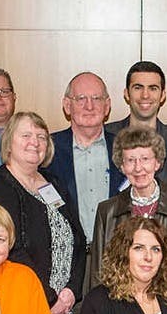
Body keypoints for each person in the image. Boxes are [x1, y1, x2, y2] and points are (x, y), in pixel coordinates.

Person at [0, 112, 87, 314]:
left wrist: (71, 291)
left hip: (65, 308)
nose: (35, 142)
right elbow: (12, 248)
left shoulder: (53, 182)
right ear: (9, 142)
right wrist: (49, 298)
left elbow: (78, 239)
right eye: (26, 135)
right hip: (28, 306)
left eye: (41, 136)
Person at [91, 126, 167, 293]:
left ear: (157, 162)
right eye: (130, 160)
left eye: (145, 159)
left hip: (166, 307)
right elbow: (98, 275)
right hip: (118, 307)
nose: (138, 168)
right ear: (121, 166)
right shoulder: (106, 211)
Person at [49, 73, 121, 235]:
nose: (89, 106)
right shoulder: (47, 150)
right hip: (68, 255)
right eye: (81, 98)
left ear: (107, 105)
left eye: (96, 98)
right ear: (67, 105)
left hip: (114, 252)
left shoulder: (125, 149)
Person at [109, 61, 167, 155]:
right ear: (127, 94)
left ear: (163, 96)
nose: (145, 95)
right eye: (138, 88)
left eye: (153, 88)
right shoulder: (107, 137)